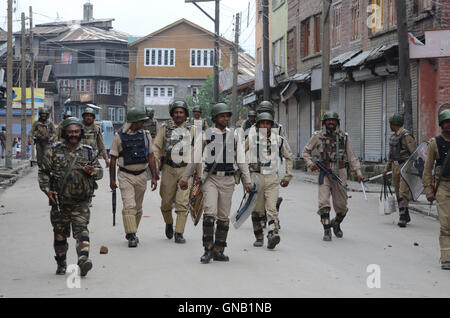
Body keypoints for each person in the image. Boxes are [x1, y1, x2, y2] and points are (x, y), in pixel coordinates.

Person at [180, 102, 252, 264]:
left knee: (223, 216)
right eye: (222, 116)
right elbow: (195, 158)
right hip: (210, 179)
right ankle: (207, 249)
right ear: (215, 118)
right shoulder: (205, 135)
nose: (226, 118)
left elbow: (241, 160)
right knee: (210, 212)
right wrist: (185, 178)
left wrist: (247, 181)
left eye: (227, 115)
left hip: (228, 179)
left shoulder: (234, 136)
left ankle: (219, 250)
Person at [38, 117, 103, 276]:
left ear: (80, 133)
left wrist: (92, 171)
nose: (73, 134)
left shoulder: (88, 152)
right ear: (64, 133)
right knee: (60, 235)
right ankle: (61, 263)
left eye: (76, 131)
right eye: (70, 132)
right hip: (59, 202)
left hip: (81, 202)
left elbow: (100, 172)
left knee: (82, 231)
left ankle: (83, 260)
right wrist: (47, 190)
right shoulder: (53, 151)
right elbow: (43, 173)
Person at [302, 111, 364, 241]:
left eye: (333, 120)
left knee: (342, 206)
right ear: (324, 122)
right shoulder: (318, 136)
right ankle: (326, 230)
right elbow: (306, 151)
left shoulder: (344, 137)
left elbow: (352, 156)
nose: (331, 122)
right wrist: (310, 163)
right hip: (324, 172)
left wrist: (358, 173)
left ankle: (336, 223)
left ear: (337, 122)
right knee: (324, 202)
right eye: (328, 120)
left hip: (340, 172)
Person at [109, 107, 159, 248]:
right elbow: (113, 159)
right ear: (134, 122)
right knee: (129, 205)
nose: (143, 123)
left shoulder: (145, 135)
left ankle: (132, 230)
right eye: (140, 121)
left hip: (141, 175)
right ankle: (131, 236)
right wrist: (112, 180)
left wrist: (154, 176)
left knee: (137, 207)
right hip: (125, 175)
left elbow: (151, 157)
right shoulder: (119, 136)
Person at [245, 112, 293, 249]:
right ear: (258, 125)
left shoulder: (278, 140)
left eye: (268, 123)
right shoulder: (252, 139)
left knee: (272, 209)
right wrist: (243, 175)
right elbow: (240, 153)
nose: (265, 126)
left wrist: (288, 176)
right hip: (256, 177)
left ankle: (272, 233)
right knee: (257, 210)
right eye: (262, 123)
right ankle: (259, 236)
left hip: (272, 177)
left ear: (271, 125)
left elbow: (288, 157)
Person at [153, 100, 194, 243]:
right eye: (176, 112)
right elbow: (156, 147)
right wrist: (155, 166)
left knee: (183, 202)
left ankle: (179, 232)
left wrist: (199, 175)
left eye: (181, 112)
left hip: (186, 169)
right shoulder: (165, 128)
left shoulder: (193, 129)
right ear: (172, 114)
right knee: (165, 203)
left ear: (185, 114)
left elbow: (198, 152)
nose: (178, 115)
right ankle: (169, 222)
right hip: (169, 168)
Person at [422, 109, 450, 270]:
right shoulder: (435, 143)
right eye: (446, 122)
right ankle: (446, 258)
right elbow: (427, 169)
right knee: (446, 224)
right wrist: (428, 190)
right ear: (441, 124)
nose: (449, 125)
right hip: (443, 187)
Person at [382, 113, 416, 227]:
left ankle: (402, 217)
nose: (390, 125)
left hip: (404, 167)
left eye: (391, 123)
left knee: (403, 192)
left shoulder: (406, 135)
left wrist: (411, 168)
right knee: (397, 192)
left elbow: (414, 154)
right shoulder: (393, 136)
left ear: (394, 124)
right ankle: (406, 215)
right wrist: (386, 169)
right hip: (395, 167)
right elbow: (391, 155)